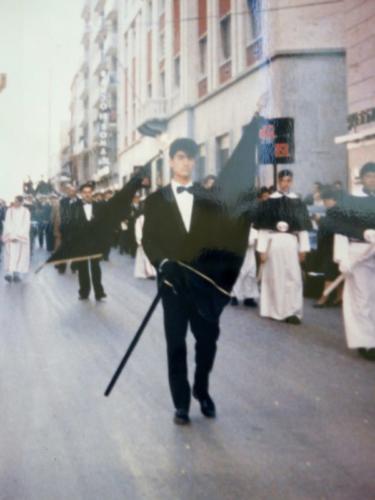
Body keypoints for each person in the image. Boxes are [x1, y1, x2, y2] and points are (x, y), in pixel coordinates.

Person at [142, 113, 260, 425]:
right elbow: (148, 238)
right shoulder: (155, 201)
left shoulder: (209, 199)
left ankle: (202, 390)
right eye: (180, 157)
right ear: (170, 160)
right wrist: (163, 263)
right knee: (176, 344)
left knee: (207, 342)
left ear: (195, 162)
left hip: (203, 284)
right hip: (172, 285)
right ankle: (181, 402)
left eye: (190, 158)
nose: (185, 163)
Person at [254, 169, 312, 325]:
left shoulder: (298, 202)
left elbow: (303, 228)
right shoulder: (269, 202)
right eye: (283, 180)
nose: (286, 183)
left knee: (293, 277)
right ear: (279, 181)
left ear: (291, 181)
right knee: (275, 277)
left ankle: (293, 312)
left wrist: (303, 249)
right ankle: (274, 310)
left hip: (292, 242)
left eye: (289, 180)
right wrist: (262, 250)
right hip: (274, 242)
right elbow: (263, 229)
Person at [333, 162, 375, 361]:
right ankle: (366, 342)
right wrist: (342, 258)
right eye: (369, 176)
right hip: (359, 253)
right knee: (363, 298)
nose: (373, 179)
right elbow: (341, 228)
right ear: (362, 179)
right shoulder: (353, 201)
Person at [69, 183, 107, 301]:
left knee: (96, 267)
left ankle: (99, 293)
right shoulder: (74, 207)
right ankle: (84, 292)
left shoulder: (99, 206)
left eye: (89, 192)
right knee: (83, 268)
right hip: (81, 242)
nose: (87, 194)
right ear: (81, 194)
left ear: (92, 193)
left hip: (95, 242)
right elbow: (71, 224)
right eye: (84, 192)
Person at [313, 185, 341, 308]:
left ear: (333, 200)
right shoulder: (336, 211)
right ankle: (339, 297)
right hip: (333, 246)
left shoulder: (335, 212)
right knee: (337, 272)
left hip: (332, 246)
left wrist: (320, 221)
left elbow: (330, 227)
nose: (324, 203)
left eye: (326, 200)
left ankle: (324, 298)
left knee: (330, 273)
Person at [2, 196, 31, 282]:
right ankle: (10, 273)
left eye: (17, 202)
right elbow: (7, 224)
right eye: (14, 201)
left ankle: (17, 274)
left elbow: (26, 225)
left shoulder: (26, 212)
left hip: (21, 238)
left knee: (21, 255)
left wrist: (18, 236)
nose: (15, 203)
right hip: (11, 237)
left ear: (22, 202)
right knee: (10, 254)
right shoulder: (9, 211)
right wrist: (11, 236)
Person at [231, 227, 259, 307]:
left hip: (250, 256)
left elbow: (255, 245)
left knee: (251, 276)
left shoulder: (255, 231)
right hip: (241, 254)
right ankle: (234, 296)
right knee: (239, 275)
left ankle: (249, 298)